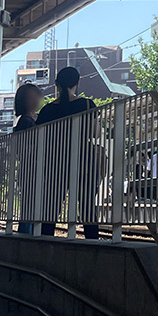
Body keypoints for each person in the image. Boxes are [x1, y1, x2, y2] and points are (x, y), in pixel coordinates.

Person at [36, 67, 99, 239]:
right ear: (77, 82)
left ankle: (46, 240)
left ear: (57, 84)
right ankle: (92, 241)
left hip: (56, 159)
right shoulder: (87, 104)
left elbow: (39, 138)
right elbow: (96, 133)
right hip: (83, 158)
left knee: (51, 205)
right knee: (87, 205)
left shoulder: (47, 110)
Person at [11, 83, 43, 234]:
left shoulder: (25, 120)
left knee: (30, 207)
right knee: (31, 208)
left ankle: (26, 234)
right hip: (32, 170)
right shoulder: (26, 121)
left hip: (28, 169)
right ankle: (25, 235)